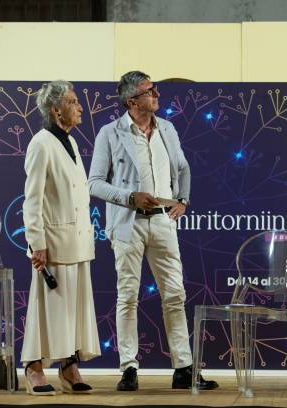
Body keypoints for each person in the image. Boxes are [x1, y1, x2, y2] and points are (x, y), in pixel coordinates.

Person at [88, 71, 217, 391]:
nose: (157, 94)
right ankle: (129, 367)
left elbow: (183, 167)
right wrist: (128, 197)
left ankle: (184, 368)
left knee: (175, 294)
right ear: (133, 100)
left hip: (162, 221)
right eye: (150, 90)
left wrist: (183, 200)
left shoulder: (168, 129)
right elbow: (93, 183)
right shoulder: (110, 133)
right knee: (127, 296)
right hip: (127, 222)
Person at [21, 80, 100, 395]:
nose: (80, 107)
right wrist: (36, 241)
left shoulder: (70, 142)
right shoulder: (41, 143)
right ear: (55, 110)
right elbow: (32, 199)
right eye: (72, 102)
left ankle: (68, 366)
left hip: (78, 240)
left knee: (74, 309)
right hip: (52, 243)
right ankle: (33, 366)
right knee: (46, 306)